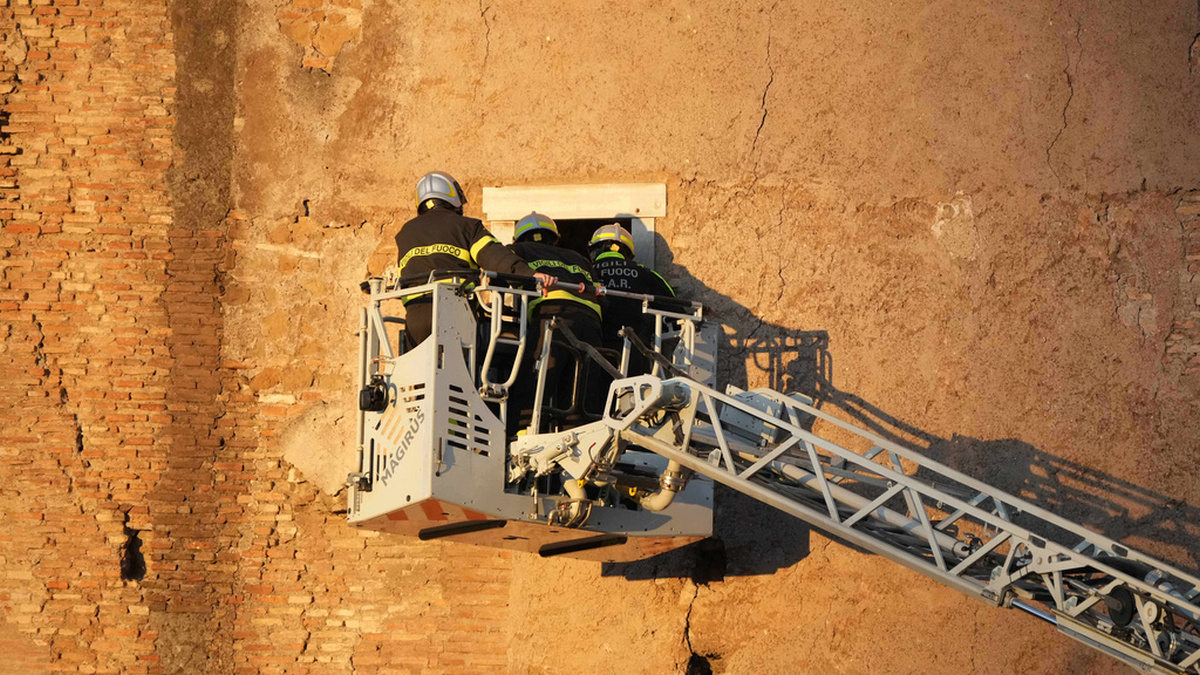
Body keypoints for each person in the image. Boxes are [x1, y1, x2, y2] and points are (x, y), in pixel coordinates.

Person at [394, 171, 552, 349]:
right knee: (461, 365)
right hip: (454, 312)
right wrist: (530, 275)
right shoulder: (467, 226)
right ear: (452, 196)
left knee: (420, 366)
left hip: (415, 317)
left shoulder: (405, 233)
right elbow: (495, 257)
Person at [507, 212, 605, 433]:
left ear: (519, 237)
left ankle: (522, 434)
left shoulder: (517, 251)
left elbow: (504, 268)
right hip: (590, 322)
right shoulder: (578, 257)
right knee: (580, 390)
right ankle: (580, 437)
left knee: (535, 381)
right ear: (554, 238)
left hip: (552, 317)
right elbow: (602, 296)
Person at [587, 223, 676, 374]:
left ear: (594, 250)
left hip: (593, 350)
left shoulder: (585, 271)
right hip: (635, 351)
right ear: (628, 252)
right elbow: (673, 307)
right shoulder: (645, 273)